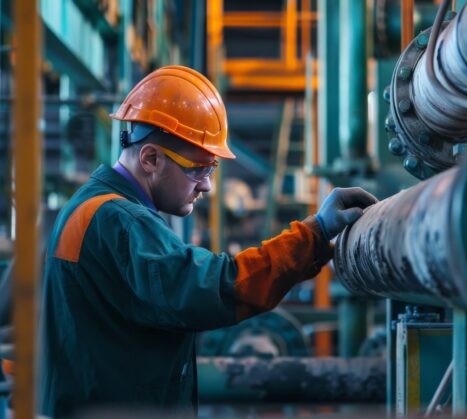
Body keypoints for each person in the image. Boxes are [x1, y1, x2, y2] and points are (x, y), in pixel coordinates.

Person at [39, 65, 377, 417]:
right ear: (150, 158)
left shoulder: (90, 206)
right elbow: (215, 288)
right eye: (197, 169)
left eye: (211, 170)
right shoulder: (120, 221)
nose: (207, 186)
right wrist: (314, 233)